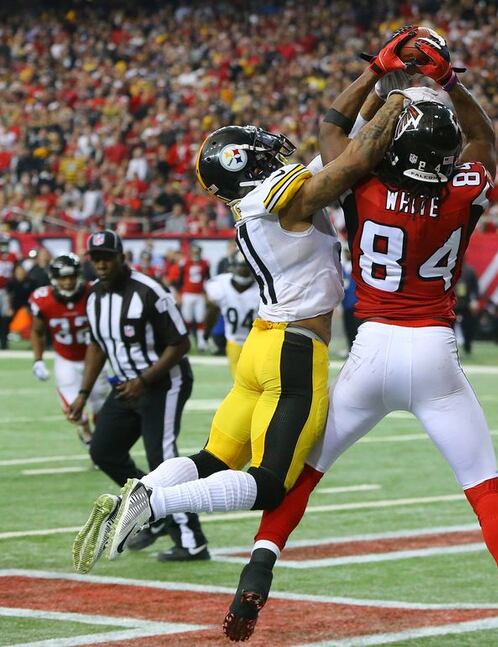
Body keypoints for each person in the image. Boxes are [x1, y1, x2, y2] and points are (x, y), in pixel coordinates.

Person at [224, 29, 498, 646]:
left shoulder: (365, 184)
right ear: (445, 150)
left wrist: (378, 73)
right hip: (433, 351)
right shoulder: (463, 191)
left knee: (305, 474)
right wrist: (450, 83)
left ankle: (258, 568)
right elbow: (485, 138)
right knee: (485, 488)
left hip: (371, 348)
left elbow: (333, 129)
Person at [71, 32, 411, 579]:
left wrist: (375, 77)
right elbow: (352, 162)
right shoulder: (278, 200)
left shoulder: (258, 200)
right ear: (245, 163)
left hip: (262, 345)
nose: (274, 147)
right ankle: (155, 506)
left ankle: (143, 490)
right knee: (271, 482)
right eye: (259, 146)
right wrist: (405, 95)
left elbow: (334, 132)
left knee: (211, 458)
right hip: (292, 350)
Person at [70, 230, 208, 572]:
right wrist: (84, 393)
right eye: (96, 258)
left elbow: (180, 343)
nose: (101, 264)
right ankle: (156, 508)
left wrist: (144, 380)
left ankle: (192, 540)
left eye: (107, 257)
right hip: (127, 387)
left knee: (163, 458)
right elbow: (97, 345)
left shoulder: (149, 292)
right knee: (103, 451)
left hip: (163, 383)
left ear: (122, 258)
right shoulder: (94, 297)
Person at [29, 253, 108, 446]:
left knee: (101, 406)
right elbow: (37, 331)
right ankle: (86, 432)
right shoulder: (43, 299)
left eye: (71, 276)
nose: (68, 282)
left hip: (95, 359)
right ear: (54, 279)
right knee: (73, 412)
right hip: (66, 360)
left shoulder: (94, 293)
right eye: (63, 277)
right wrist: (38, 360)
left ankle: (101, 446)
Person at [204, 251, 259, 379]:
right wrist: (208, 333)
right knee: (241, 382)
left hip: (256, 341)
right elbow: (212, 309)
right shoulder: (220, 285)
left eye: (246, 267)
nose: (243, 270)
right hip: (233, 342)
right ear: (232, 267)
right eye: (241, 266)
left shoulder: (262, 288)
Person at [180, 244, 211, 351]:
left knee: (200, 319)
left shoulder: (205, 264)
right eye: (194, 252)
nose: (196, 254)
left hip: (199, 295)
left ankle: (201, 343)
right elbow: (180, 280)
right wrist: (180, 293)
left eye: (197, 252)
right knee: (187, 319)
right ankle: (186, 342)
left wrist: (207, 294)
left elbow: (207, 279)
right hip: (187, 294)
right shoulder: (185, 263)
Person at [454, 263, 479, 355]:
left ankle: (467, 347)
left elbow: (475, 288)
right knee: (449, 328)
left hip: (466, 304)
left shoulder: (469, 271)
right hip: (452, 304)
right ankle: (451, 349)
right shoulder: (450, 268)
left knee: (468, 327)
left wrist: (474, 300)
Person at [0, 234, 17, 349]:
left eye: (5, 243)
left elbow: (15, 273)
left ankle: (4, 341)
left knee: (5, 317)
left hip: (6, 290)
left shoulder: (12, 256)